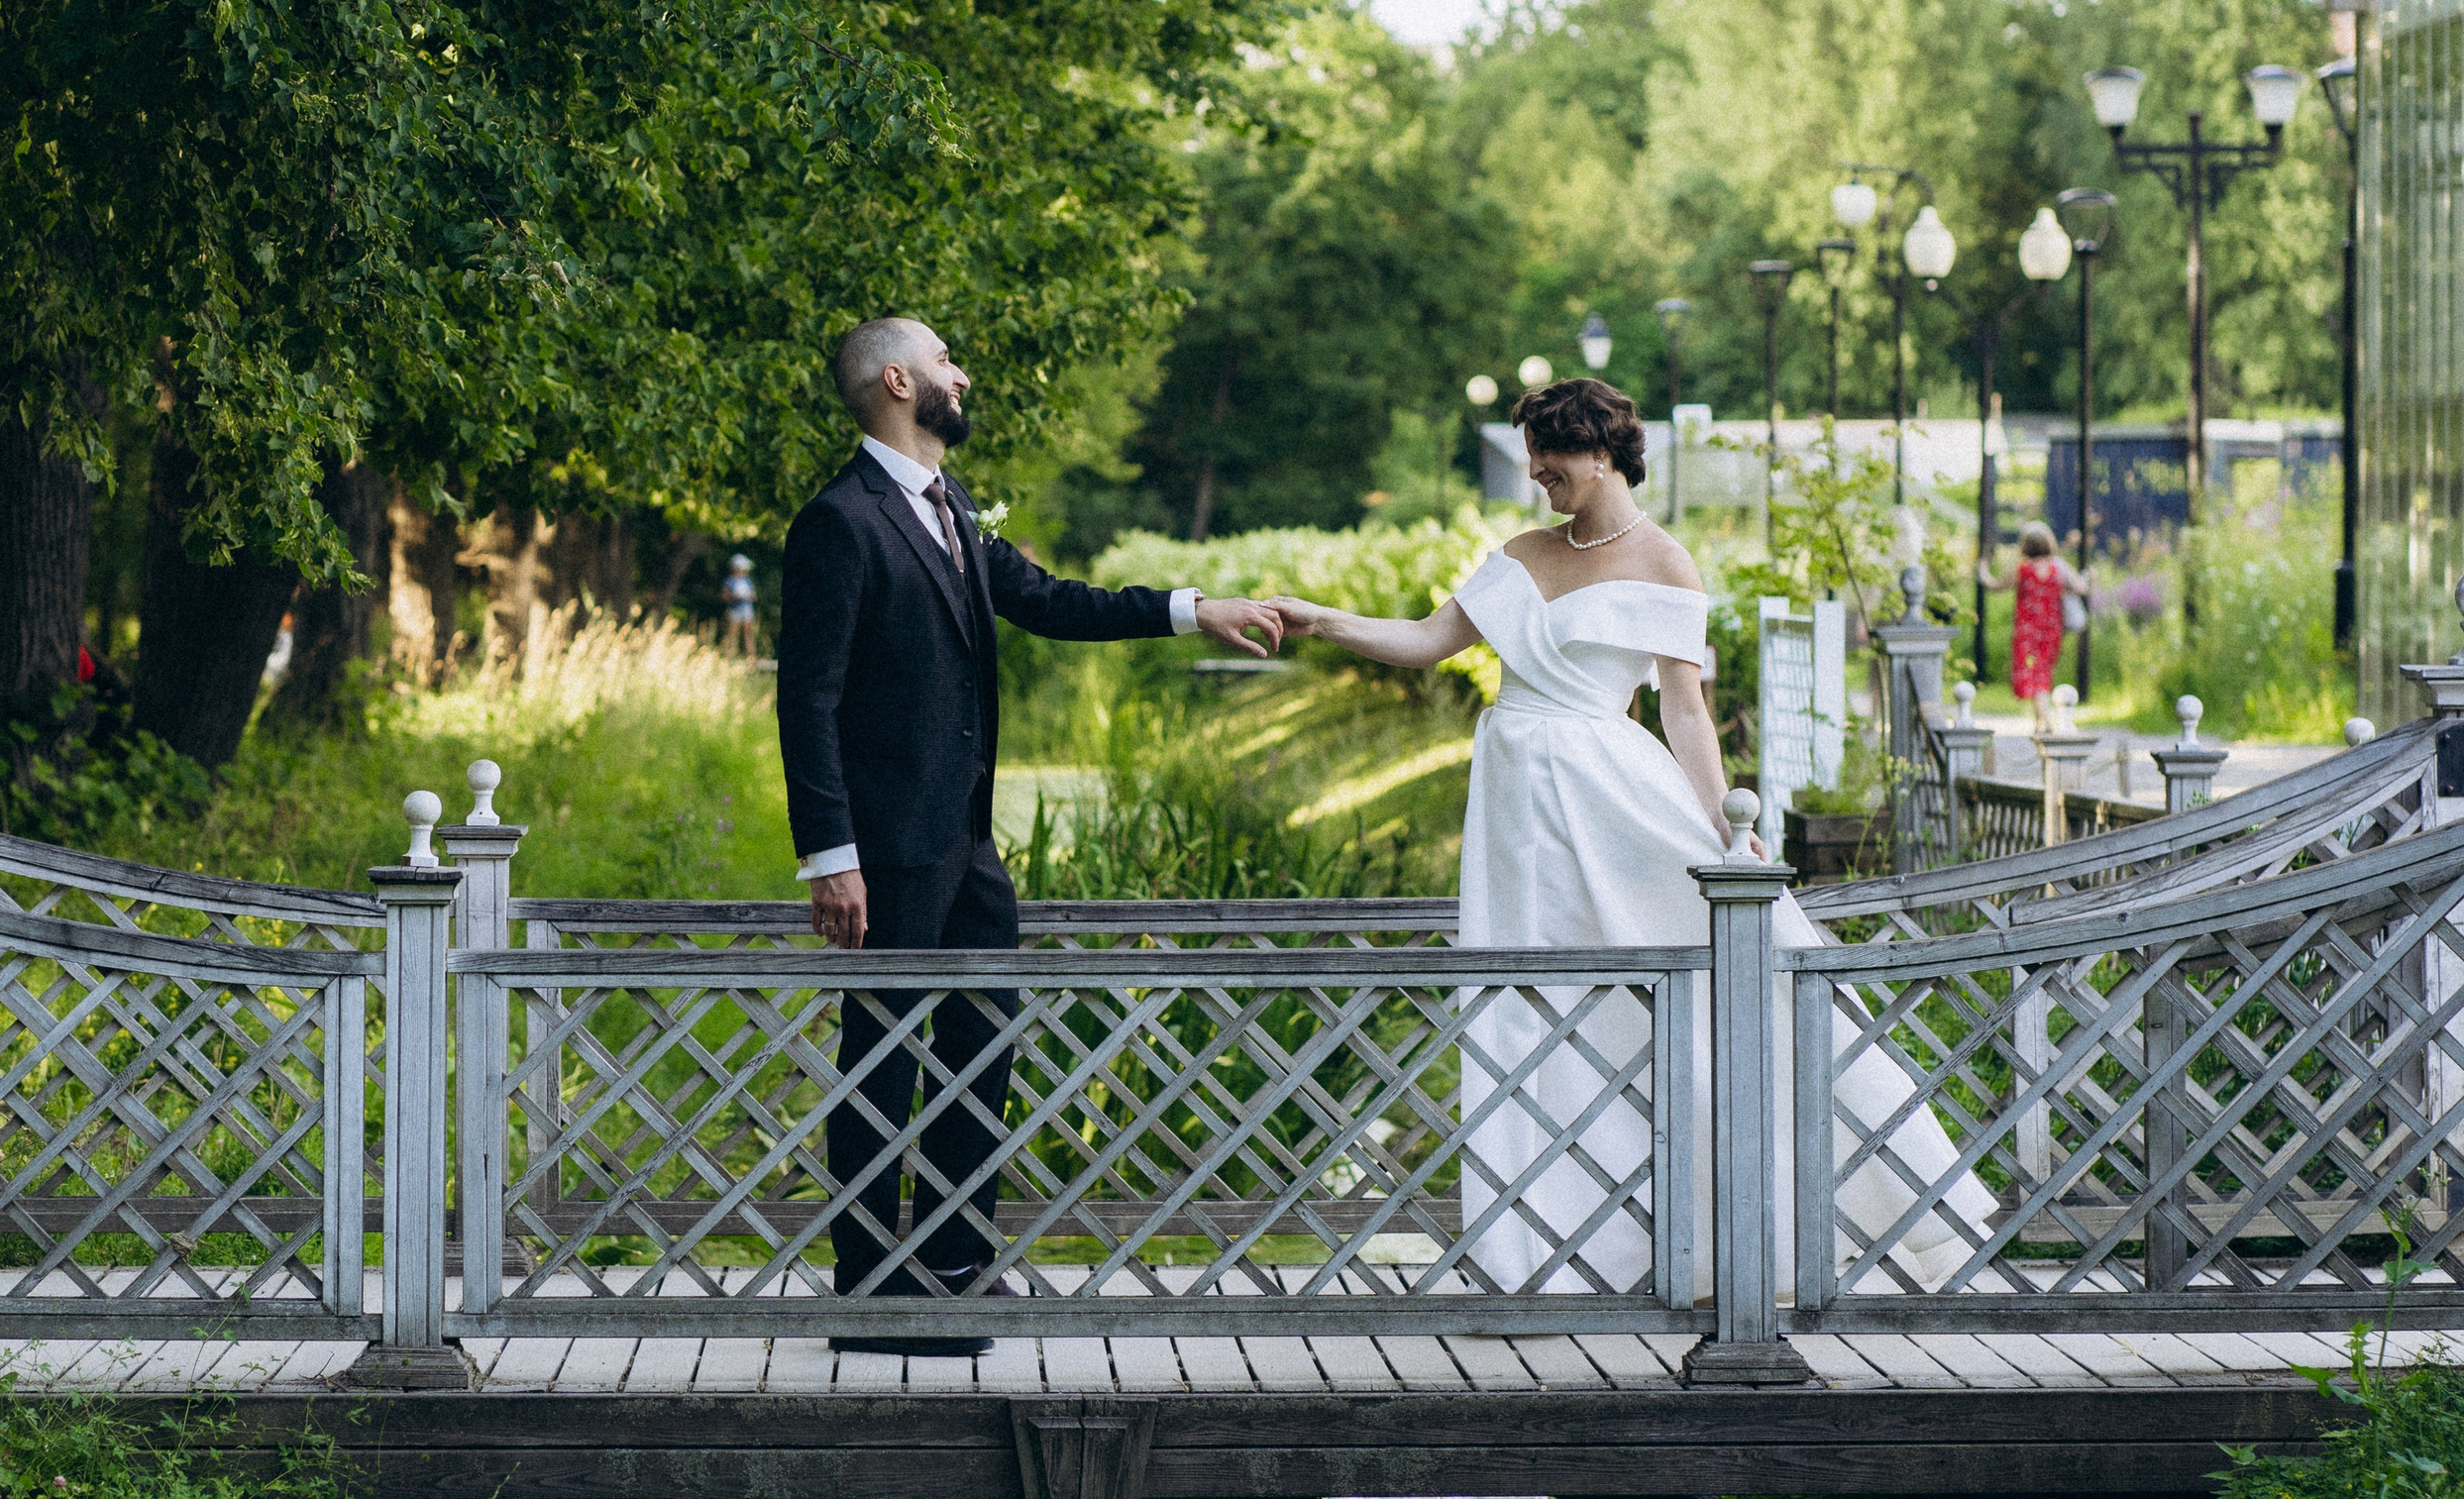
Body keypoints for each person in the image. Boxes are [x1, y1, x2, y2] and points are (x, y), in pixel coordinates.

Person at [1264, 377, 1993, 1300]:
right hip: (1519, 809)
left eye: (1550, 455)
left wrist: (1729, 826)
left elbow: (1684, 710)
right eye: (1530, 454)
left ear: (1603, 451)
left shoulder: (1665, 563)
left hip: (1614, 802)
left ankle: (1763, 1224)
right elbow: (1423, 638)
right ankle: (1555, 1249)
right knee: (1537, 1009)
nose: (1536, 473)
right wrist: (1318, 617)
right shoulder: (1522, 551)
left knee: (1684, 1002)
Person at [777, 316, 1285, 1358]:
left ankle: (957, 1269)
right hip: (883, 853)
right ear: (899, 380)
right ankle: (872, 1296)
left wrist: (1195, 609)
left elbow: (1051, 602)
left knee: (980, 1043)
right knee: (881, 1056)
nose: (965, 376)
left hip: (966, 845)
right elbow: (807, 700)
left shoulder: (948, 504)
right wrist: (831, 857)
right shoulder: (840, 521)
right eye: (947, 362)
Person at [1979, 522, 2089, 731]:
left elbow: (1993, 585)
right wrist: (2086, 575)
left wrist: (1983, 568)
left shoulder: (2023, 569)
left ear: (2025, 546)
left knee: (2033, 672)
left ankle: (2042, 719)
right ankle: (2042, 717)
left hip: (2027, 631)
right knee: (2044, 670)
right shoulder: (2059, 567)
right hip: (2051, 628)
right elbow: (2081, 587)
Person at [721, 554, 759, 659]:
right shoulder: (730, 580)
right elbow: (725, 595)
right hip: (734, 610)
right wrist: (735, 597)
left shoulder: (747, 580)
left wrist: (747, 596)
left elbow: (753, 595)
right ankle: (728, 656)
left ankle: (751, 657)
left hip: (746, 610)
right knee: (732, 633)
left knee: (748, 633)